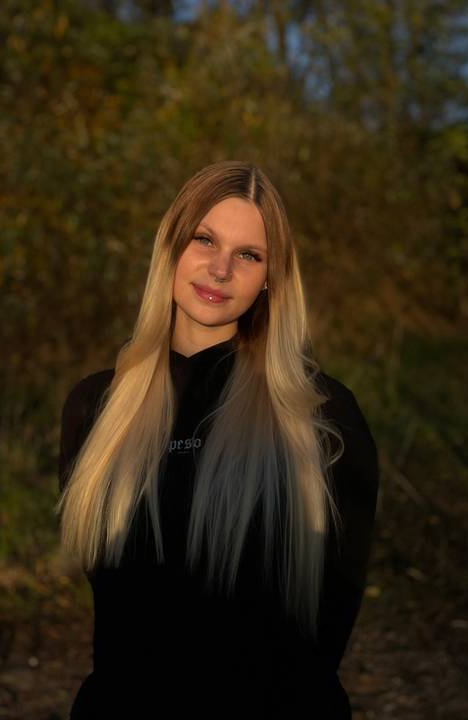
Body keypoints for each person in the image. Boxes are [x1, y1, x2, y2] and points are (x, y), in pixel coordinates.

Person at [57, 160, 379, 719]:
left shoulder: (321, 414)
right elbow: (110, 594)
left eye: (249, 254)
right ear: (170, 247)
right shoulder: (96, 406)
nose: (221, 268)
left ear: (271, 277)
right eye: (204, 240)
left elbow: (334, 607)